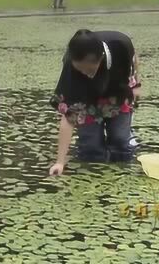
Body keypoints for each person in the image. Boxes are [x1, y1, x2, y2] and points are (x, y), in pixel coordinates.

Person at [49, 30, 141, 176]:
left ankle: (122, 174)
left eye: (89, 69)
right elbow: (69, 118)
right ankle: (93, 176)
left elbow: (133, 61)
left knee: (120, 141)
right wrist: (60, 161)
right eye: (80, 70)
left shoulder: (121, 45)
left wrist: (136, 85)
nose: (85, 73)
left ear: (100, 59)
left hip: (116, 91)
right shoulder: (71, 67)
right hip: (86, 98)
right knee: (90, 146)